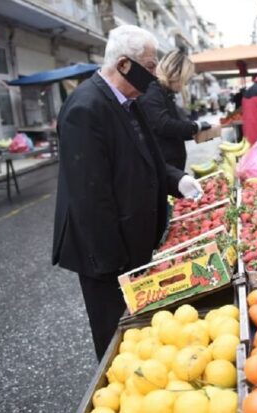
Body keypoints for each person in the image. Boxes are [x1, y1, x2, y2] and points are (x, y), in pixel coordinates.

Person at [52, 25, 202, 360]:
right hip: (106, 254)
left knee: (139, 335)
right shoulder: (85, 108)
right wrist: (118, 265)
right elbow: (90, 198)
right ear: (123, 65)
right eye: (149, 66)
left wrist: (176, 180)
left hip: (132, 245)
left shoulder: (127, 102)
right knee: (117, 340)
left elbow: (148, 157)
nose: (155, 74)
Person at [139, 50, 211, 170]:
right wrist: (196, 126)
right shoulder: (152, 91)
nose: (186, 84)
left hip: (171, 167)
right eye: (185, 80)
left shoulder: (164, 92)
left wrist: (199, 132)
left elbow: (175, 129)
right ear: (176, 74)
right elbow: (164, 125)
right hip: (163, 168)